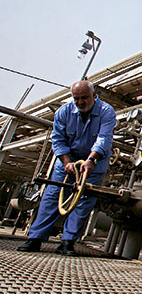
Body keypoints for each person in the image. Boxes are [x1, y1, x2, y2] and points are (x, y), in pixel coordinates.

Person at [18, 81, 116, 255]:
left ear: (94, 96)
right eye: (76, 98)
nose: (80, 102)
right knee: (52, 196)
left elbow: (104, 138)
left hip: (94, 163)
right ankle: (35, 239)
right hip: (67, 162)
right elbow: (58, 140)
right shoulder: (63, 112)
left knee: (84, 199)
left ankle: (68, 242)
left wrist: (91, 160)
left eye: (84, 98)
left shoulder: (106, 112)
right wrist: (66, 162)